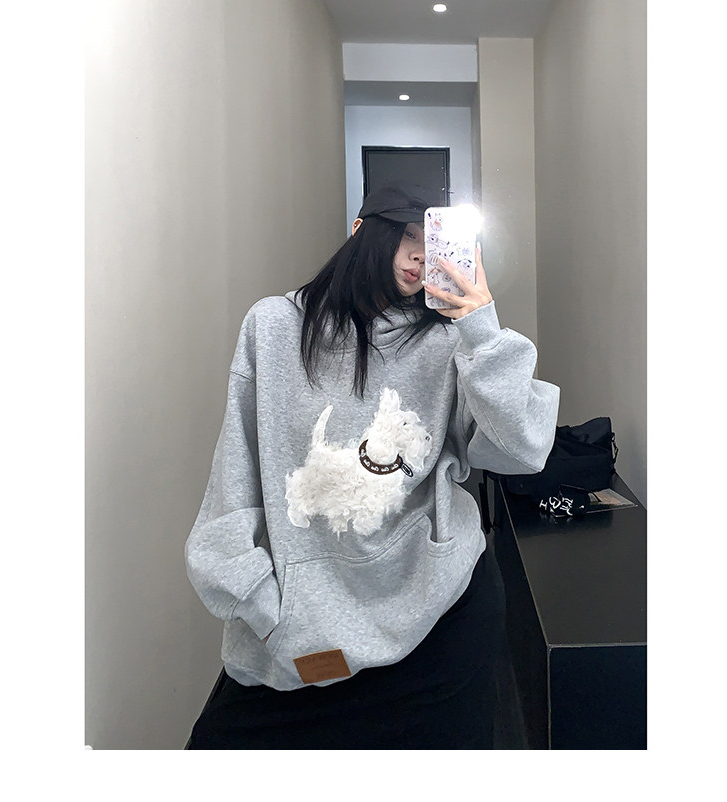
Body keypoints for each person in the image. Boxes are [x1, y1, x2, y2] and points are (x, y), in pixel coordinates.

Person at [184, 182, 560, 749]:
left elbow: (523, 451)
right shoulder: (274, 327)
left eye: (434, 240)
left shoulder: (449, 342)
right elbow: (233, 482)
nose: (420, 254)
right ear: (361, 231)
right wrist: (265, 606)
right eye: (406, 235)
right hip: (301, 631)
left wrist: (481, 329)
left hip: (440, 623)